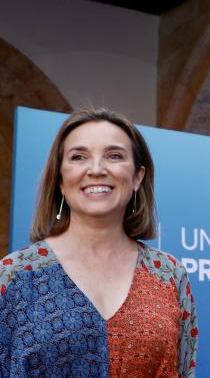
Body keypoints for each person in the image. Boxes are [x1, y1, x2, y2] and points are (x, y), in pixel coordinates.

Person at [0, 108, 198, 377]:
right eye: (79, 157)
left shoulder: (169, 274)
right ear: (60, 179)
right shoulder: (14, 274)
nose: (96, 169)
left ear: (138, 177)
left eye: (114, 156)